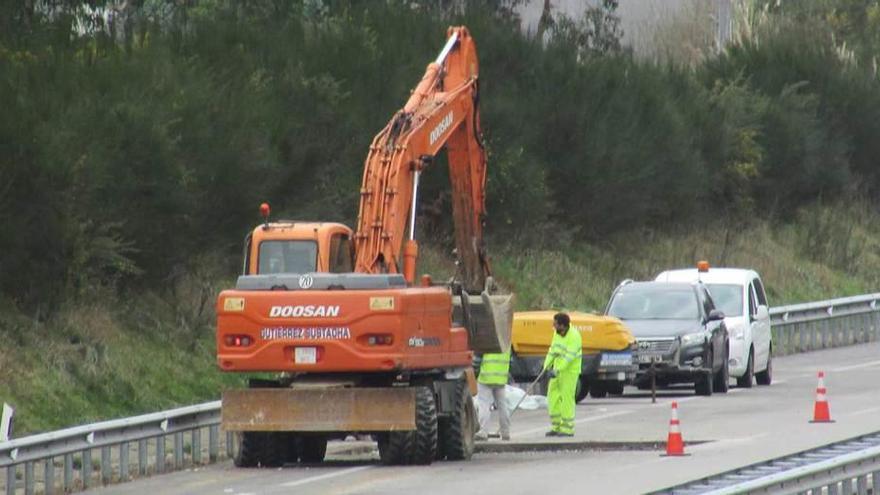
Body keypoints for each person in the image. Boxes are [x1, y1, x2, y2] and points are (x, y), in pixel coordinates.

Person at [543, 312, 582, 437]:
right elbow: (553, 350)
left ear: (563, 326)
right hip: (557, 371)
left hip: (570, 372)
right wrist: (546, 366)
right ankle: (556, 426)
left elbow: (569, 357)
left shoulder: (574, 336)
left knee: (567, 398)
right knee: (552, 396)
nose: (553, 327)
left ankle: (567, 429)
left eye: (556, 325)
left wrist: (557, 369)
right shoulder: (557, 333)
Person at [475, 347, 512, 441]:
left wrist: (475, 372)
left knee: (484, 405)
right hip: (501, 377)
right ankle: (506, 432)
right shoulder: (505, 341)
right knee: (502, 406)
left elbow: (477, 358)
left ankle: (483, 432)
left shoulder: (488, 340)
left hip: (486, 376)